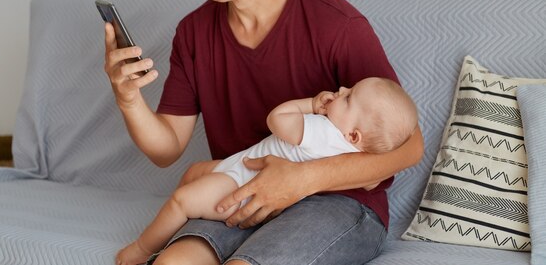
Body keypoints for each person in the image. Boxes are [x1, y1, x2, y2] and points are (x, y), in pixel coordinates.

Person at [104, 0, 424, 265]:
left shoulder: (337, 26)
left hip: (337, 202)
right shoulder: (193, 32)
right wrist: (128, 99)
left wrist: (301, 181)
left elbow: (412, 146)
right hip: (243, 187)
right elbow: (167, 148)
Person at [115, 77, 418, 265]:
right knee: (195, 176)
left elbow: (278, 119)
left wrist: (312, 104)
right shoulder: (353, 151)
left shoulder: (321, 131)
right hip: (245, 170)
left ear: (353, 135)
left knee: (183, 198)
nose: (340, 89)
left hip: (241, 182)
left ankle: (142, 247)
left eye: (349, 97)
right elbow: (371, 179)